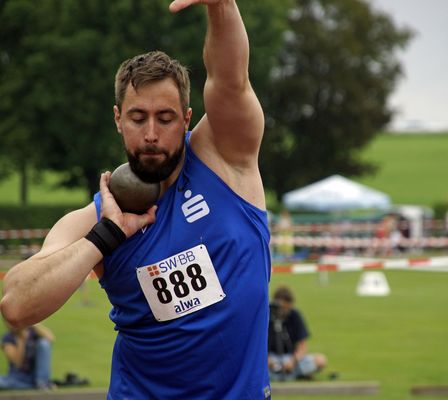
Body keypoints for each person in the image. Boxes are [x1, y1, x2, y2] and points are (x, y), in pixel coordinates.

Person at [1, 0, 272, 398]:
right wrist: (105, 236)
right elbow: (16, 304)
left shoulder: (225, 158)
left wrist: (221, 7)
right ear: (117, 119)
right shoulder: (95, 218)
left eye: (164, 118)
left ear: (186, 118)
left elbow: (231, 81)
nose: (150, 134)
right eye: (137, 117)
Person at [268, 286, 327, 381]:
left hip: (292, 359)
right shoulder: (267, 315)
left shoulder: (295, 315)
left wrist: (293, 361)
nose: (284, 311)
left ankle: (288, 374)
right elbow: (257, 344)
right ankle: (296, 375)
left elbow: (302, 346)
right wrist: (267, 358)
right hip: (272, 359)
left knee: (320, 360)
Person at [0, 323, 54, 390]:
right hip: (17, 378)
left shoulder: (34, 333)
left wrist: (32, 323)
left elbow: (50, 338)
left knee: (44, 343)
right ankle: (34, 386)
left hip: (36, 375)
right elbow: (17, 364)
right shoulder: (8, 338)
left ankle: (42, 382)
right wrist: (21, 340)